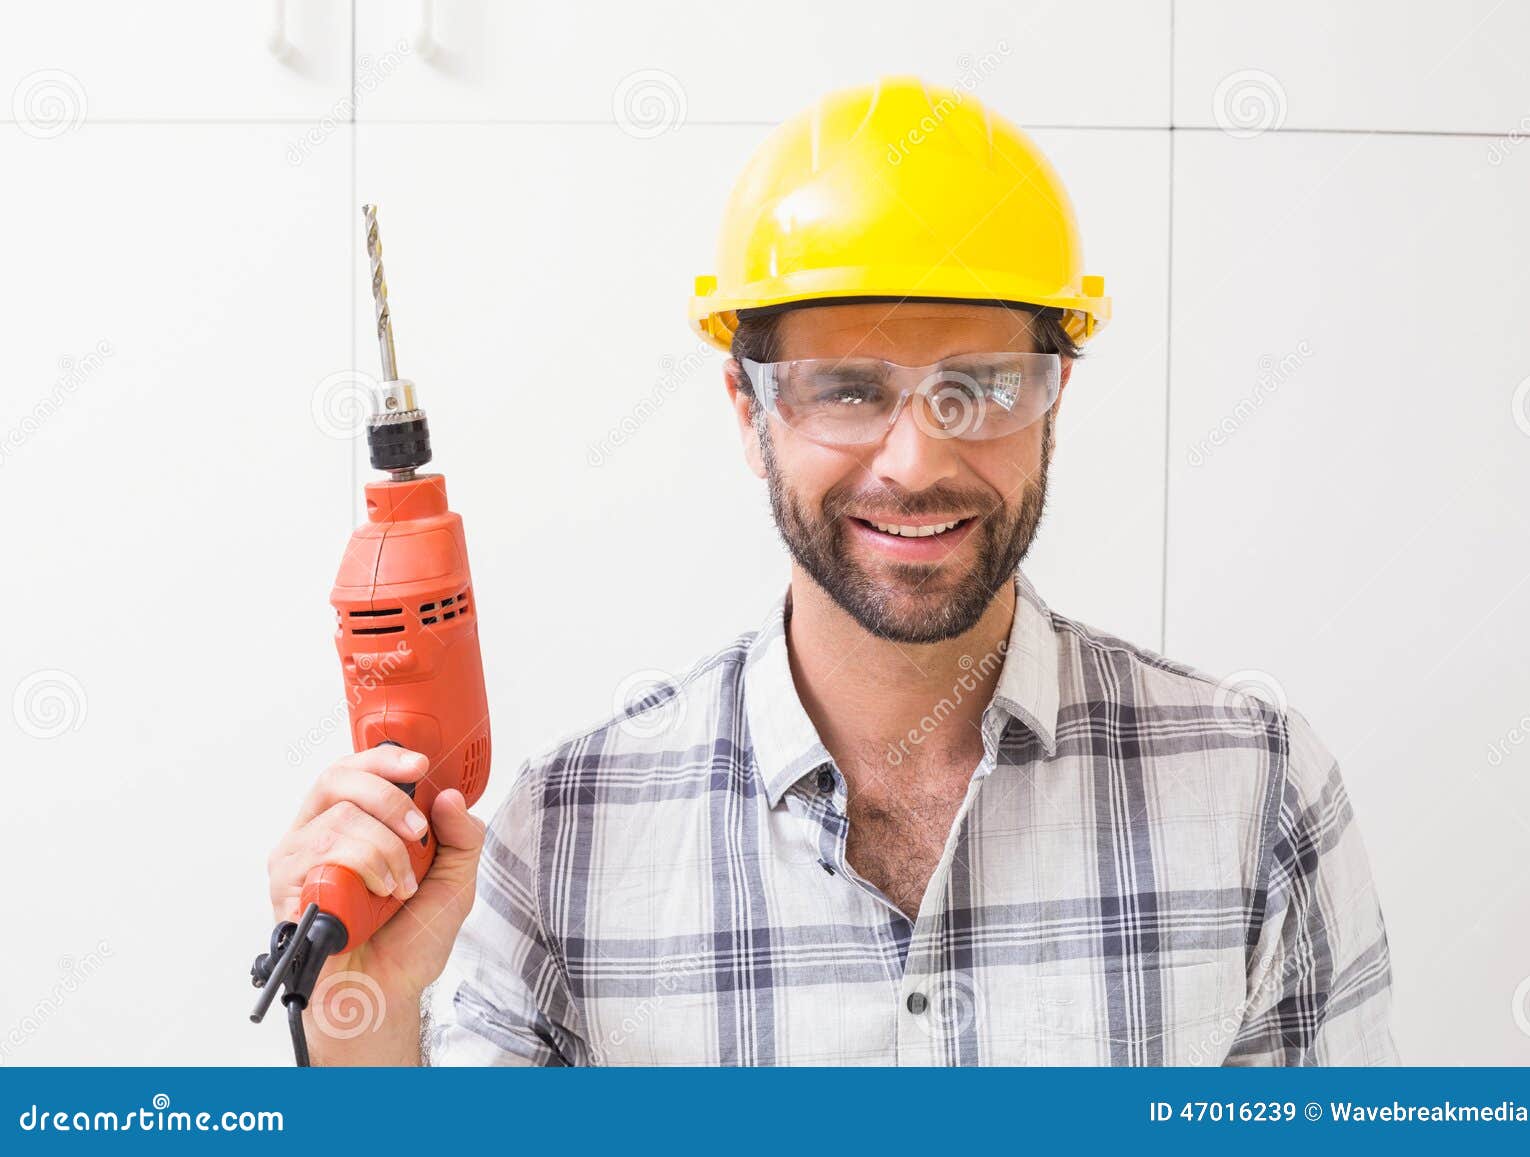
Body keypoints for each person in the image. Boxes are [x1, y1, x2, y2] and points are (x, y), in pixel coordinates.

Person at [267, 76, 1397, 1066]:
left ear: (1057, 397)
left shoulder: (1257, 793)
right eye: (847, 389)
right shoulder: (566, 831)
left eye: (983, 383)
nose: (916, 460)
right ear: (747, 410)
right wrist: (366, 1017)